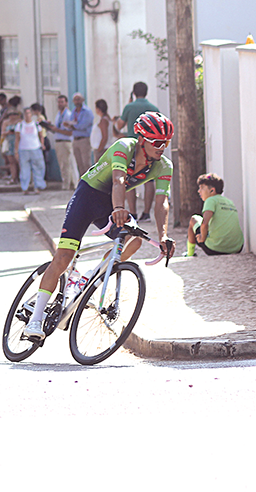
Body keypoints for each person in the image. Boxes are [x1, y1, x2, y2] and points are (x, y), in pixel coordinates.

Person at [23, 111, 177, 339]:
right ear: (142, 139)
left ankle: (87, 277)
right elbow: (119, 180)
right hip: (87, 197)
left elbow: (161, 201)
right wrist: (118, 209)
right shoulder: (124, 147)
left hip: (111, 204)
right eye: (157, 142)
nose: (162, 147)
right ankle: (35, 321)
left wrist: (163, 235)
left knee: (134, 240)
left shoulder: (164, 166)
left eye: (165, 143)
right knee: (64, 256)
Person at [114, 81, 161, 222]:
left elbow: (119, 125)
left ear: (134, 93)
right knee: (149, 180)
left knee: (128, 179)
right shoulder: (153, 108)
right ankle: (146, 213)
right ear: (146, 92)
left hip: (133, 146)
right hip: (149, 146)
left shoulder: (129, 107)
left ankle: (133, 212)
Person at [187, 173, 244, 256]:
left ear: (212, 190)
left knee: (193, 219)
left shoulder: (210, 200)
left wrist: (202, 238)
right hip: (237, 247)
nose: (199, 191)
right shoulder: (229, 202)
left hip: (215, 248)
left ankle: (189, 254)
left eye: (202, 188)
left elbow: (204, 223)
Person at [14, 107, 46, 195]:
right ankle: (25, 187)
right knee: (24, 170)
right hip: (23, 150)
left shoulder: (36, 125)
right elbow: (17, 139)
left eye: (29, 113)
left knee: (38, 168)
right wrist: (16, 151)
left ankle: (38, 187)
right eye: (26, 113)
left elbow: (41, 135)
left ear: (31, 115)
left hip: (35, 148)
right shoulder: (20, 126)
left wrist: (42, 144)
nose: (27, 115)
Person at [65, 93, 94, 178]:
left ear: (82, 100)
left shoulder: (87, 111)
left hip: (84, 139)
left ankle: (90, 181)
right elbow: (71, 124)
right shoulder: (73, 111)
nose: (77, 101)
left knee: (86, 163)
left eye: (79, 99)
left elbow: (83, 125)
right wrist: (70, 125)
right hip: (75, 139)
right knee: (79, 163)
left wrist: (73, 125)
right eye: (75, 100)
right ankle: (83, 182)